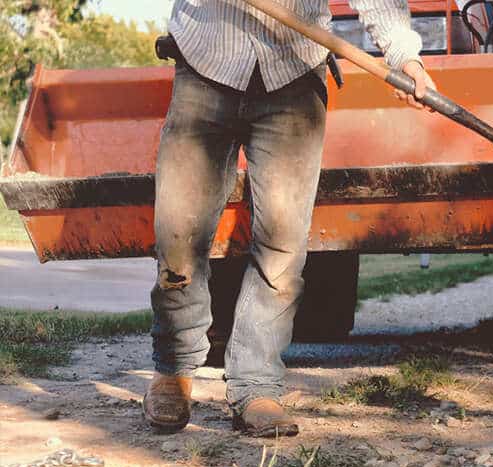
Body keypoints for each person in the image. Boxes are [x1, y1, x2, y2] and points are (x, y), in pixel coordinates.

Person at [143, 0, 435, 437]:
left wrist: (405, 56)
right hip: (205, 69)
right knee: (178, 236)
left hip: (294, 76)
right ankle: (174, 370)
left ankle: (257, 385)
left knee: (282, 247)